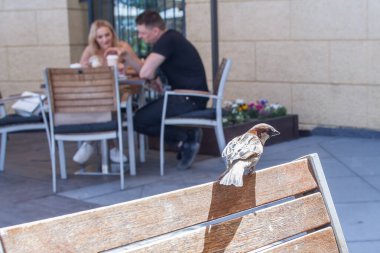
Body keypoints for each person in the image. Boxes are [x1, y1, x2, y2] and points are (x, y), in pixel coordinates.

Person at [106, 10, 208, 170]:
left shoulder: (167, 40)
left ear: (155, 31)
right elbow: (146, 70)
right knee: (140, 118)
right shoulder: (170, 38)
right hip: (187, 97)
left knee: (139, 120)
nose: (140, 36)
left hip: (189, 98)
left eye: (142, 33)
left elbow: (146, 72)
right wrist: (126, 55)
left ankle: (186, 139)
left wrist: (152, 77)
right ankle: (185, 139)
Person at [73, 20, 143, 165]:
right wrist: (85, 67)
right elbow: (80, 74)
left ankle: (90, 142)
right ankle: (112, 148)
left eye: (107, 35)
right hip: (98, 94)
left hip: (121, 91)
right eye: (100, 37)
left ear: (112, 34)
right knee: (101, 102)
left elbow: (139, 69)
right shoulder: (90, 50)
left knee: (108, 103)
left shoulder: (122, 47)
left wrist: (125, 58)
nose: (105, 39)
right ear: (95, 39)